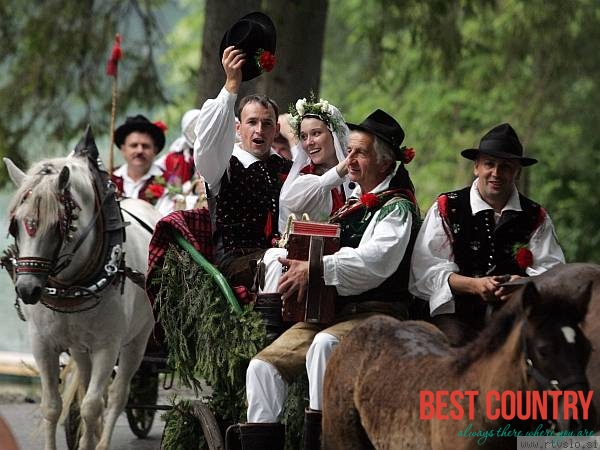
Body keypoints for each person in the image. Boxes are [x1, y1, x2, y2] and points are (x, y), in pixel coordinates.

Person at [235, 110, 420, 450]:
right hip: (331, 313)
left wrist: (315, 269)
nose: (349, 159)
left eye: (359, 153)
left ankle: (321, 442)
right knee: (261, 367)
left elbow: (374, 262)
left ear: (385, 162)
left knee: (323, 346)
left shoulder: (397, 207)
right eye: (348, 150)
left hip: (379, 314)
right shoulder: (352, 202)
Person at [409, 123, 565, 347]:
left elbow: (552, 272)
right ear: (476, 168)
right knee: (454, 345)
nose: (496, 173)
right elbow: (425, 271)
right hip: (454, 314)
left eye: (506, 167)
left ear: (517, 172)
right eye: (489, 164)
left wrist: (523, 283)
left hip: (513, 314)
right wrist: (475, 285)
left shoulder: (534, 215)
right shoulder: (448, 206)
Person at [188, 11, 292, 289]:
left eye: (267, 123)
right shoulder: (223, 164)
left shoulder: (286, 167)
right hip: (235, 261)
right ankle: (270, 329)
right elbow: (207, 143)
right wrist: (231, 85)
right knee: (277, 259)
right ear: (238, 128)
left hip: (281, 256)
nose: (259, 130)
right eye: (252, 122)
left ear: (275, 130)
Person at [155, 109, 209, 216]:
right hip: (179, 203)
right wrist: (192, 186)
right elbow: (174, 189)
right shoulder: (175, 158)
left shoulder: (212, 153)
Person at [111, 114, 167, 205]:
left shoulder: (170, 182)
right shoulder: (108, 179)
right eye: (134, 145)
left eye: (145, 146)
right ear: (123, 149)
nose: (140, 151)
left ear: (155, 150)